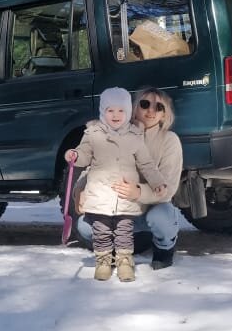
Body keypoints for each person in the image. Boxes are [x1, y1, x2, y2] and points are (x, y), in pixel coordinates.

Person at [74, 87, 184, 270]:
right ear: (134, 108)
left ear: (164, 115)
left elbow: (168, 187)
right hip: (120, 211)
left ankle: (165, 247)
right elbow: (94, 165)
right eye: (145, 104)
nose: (151, 110)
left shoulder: (170, 140)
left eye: (159, 107)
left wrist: (138, 192)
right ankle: (117, 247)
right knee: (84, 226)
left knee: (160, 216)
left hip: (150, 212)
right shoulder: (117, 133)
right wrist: (80, 189)